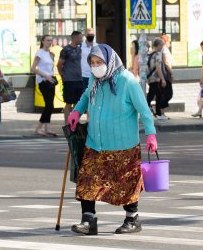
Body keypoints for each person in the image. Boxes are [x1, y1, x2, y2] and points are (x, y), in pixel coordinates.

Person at [66, 44, 158, 235]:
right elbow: (85, 96)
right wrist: (76, 111)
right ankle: (88, 220)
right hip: (95, 142)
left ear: (109, 61)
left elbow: (144, 110)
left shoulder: (127, 81)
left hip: (123, 144)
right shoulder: (94, 80)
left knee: (126, 181)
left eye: (99, 62)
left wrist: (150, 134)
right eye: (92, 62)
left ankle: (132, 219)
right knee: (87, 180)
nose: (95, 66)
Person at [30, 35, 59, 137]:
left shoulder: (51, 54)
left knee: (50, 106)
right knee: (49, 105)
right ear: (43, 41)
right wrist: (45, 75)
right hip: (43, 81)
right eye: (47, 40)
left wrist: (51, 76)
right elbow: (33, 68)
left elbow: (51, 68)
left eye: (51, 40)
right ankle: (38, 128)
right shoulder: (40, 53)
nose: (49, 42)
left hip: (51, 80)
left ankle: (47, 128)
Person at [57, 31, 84, 122]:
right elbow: (59, 65)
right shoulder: (66, 50)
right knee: (68, 103)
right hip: (69, 80)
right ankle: (67, 123)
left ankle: (75, 122)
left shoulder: (79, 49)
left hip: (79, 79)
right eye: (80, 38)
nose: (81, 40)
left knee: (77, 103)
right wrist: (63, 76)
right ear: (75, 38)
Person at [146, 38, 173, 120]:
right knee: (153, 96)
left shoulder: (148, 54)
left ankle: (158, 114)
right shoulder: (157, 54)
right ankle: (152, 113)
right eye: (161, 45)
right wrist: (163, 79)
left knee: (157, 95)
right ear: (157, 46)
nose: (162, 47)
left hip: (150, 78)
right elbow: (158, 67)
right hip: (156, 79)